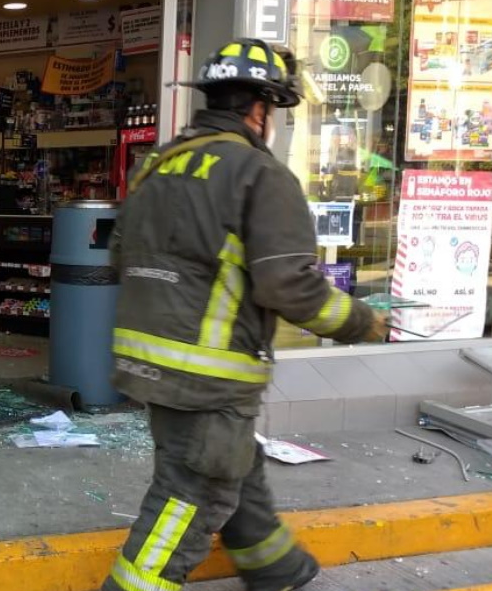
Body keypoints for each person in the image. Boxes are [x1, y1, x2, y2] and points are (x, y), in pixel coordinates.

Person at [101, 39, 389, 591]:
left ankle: (274, 566)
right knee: (192, 495)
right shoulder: (259, 174)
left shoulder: (157, 166)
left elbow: (120, 258)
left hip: (147, 363)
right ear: (260, 110)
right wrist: (360, 321)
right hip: (210, 374)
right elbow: (289, 285)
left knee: (232, 461)